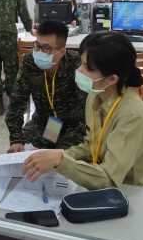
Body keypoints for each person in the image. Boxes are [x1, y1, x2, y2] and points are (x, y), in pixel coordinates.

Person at [23, 32, 143, 189]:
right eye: (81, 63)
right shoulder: (95, 95)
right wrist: (56, 156)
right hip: (92, 176)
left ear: (112, 79)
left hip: (122, 191)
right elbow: (90, 145)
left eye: (87, 67)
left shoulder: (132, 115)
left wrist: (61, 160)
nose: (79, 70)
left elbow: (109, 179)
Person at [6, 21, 86, 152]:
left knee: (60, 164)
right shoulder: (30, 62)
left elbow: (87, 109)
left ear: (61, 51)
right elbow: (17, 101)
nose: (39, 52)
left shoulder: (76, 64)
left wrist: (60, 150)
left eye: (46, 48)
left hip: (73, 126)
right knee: (22, 157)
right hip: (45, 123)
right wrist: (16, 139)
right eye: (37, 45)